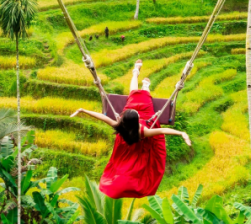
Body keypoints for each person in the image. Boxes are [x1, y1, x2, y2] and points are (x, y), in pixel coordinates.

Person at [71, 60, 191, 199]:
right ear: (135, 120)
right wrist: (181, 133)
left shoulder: (120, 124)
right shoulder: (143, 131)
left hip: (131, 111)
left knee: (133, 94)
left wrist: (83, 110)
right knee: (145, 100)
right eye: (136, 114)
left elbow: (102, 117)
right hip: (147, 116)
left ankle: (136, 72)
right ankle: (145, 86)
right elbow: (163, 131)